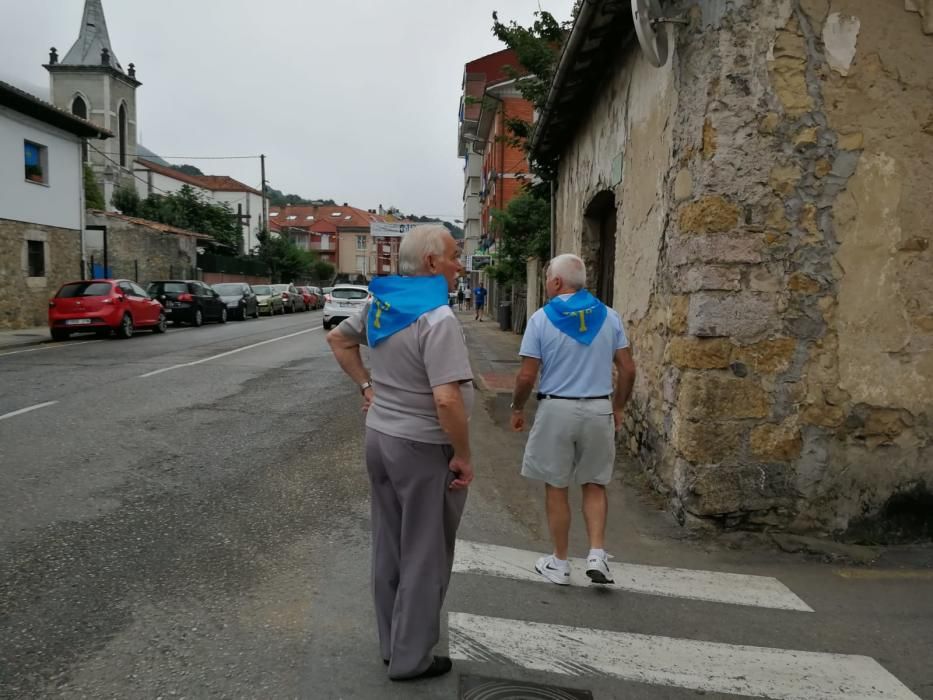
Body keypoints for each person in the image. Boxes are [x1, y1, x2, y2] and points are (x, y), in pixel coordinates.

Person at [327, 225, 474, 681]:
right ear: (431, 263)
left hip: (380, 438)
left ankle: (393, 646)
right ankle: (413, 660)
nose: (459, 264)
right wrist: (464, 454)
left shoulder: (381, 305)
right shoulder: (437, 318)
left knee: (389, 543)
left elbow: (338, 339)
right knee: (425, 552)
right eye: (453, 256)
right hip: (423, 444)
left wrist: (367, 386)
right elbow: (447, 399)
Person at [509, 253, 635, 586]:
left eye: (548, 276)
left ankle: (560, 563)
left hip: (556, 409)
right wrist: (618, 406)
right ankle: (597, 554)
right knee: (595, 483)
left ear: (556, 282)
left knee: (557, 486)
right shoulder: (609, 317)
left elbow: (526, 375)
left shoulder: (540, 319)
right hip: (598, 408)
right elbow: (628, 368)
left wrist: (517, 407)